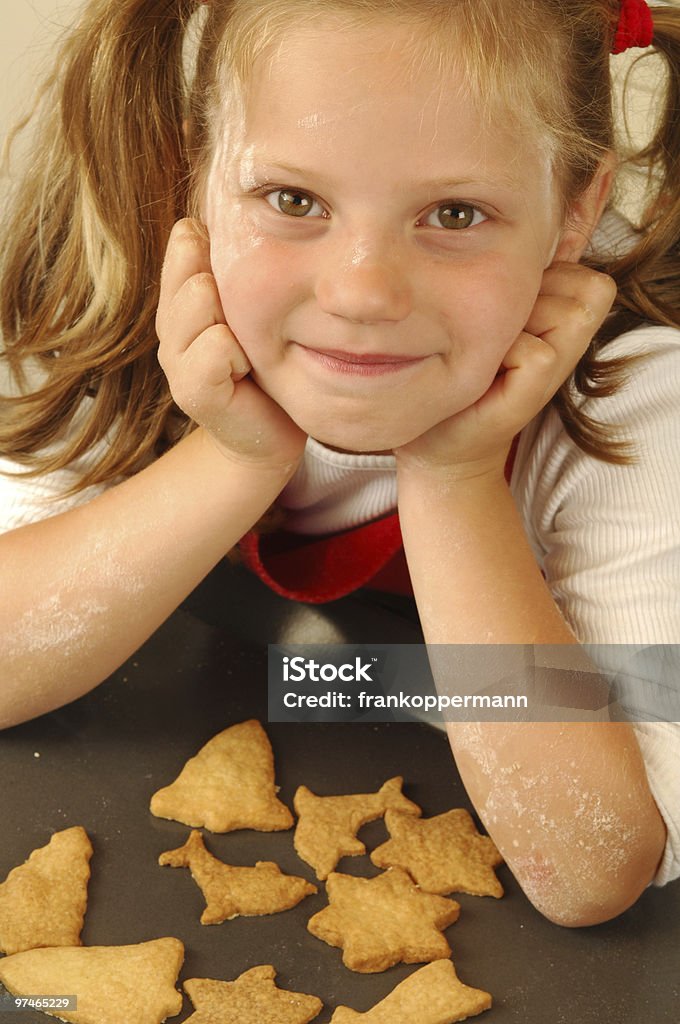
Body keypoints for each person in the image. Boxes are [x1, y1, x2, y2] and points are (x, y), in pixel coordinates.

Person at [0, 0, 678, 926]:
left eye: (453, 213)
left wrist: (454, 476)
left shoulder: (633, 400)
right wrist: (238, 458)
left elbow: (594, 868)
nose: (361, 291)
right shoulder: (122, 315)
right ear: (196, 176)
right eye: (293, 201)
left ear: (575, 210)